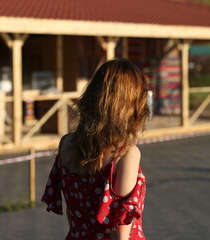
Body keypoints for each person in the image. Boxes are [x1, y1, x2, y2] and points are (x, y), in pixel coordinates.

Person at [42, 59, 149, 240]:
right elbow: (120, 230)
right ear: (132, 104)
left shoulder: (66, 144)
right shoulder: (126, 154)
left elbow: (71, 213)